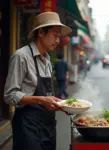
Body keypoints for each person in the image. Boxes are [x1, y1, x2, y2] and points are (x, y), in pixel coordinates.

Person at [4, 12, 72, 150]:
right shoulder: (21, 56)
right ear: (41, 32)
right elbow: (9, 95)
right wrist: (40, 100)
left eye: (59, 36)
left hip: (48, 126)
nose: (58, 41)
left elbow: (47, 96)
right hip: (27, 127)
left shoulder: (46, 59)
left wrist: (62, 105)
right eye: (55, 35)